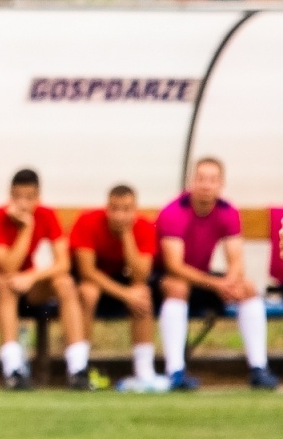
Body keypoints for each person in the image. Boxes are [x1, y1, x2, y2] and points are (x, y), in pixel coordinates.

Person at [155, 157, 278, 390]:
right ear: (192, 181)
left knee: (248, 289)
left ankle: (258, 369)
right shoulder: (174, 211)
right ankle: (176, 372)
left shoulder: (227, 211)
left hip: (203, 279)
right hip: (163, 280)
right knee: (177, 286)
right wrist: (217, 284)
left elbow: (236, 260)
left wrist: (230, 282)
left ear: (221, 184)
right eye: (201, 179)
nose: (205, 185)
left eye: (212, 180)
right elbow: (174, 265)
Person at [0, 168, 89, 390]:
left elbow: (63, 263)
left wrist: (31, 277)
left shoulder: (47, 214)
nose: (23, 204)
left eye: (29, 198)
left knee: (65, 283)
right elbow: (8, 267)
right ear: (10, 195)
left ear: (38, 197)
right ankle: (14, 370)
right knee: (7, 285)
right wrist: (27, 228)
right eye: (17, 197)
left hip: (25, 280)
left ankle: (78, 369)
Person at [71, 185, 159, 387]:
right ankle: (80, 368)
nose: (119, 215)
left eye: (126, 209)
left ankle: (144, 370)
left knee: (142, 293)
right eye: (115, 209)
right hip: (92, 284)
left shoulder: (145, 227)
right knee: (88, 292)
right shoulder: (88, 221)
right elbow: (87, 271)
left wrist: (127, 236)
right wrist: (125, 294)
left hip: (123, 284)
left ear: (135, 210)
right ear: (107, 208)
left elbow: (140, 275)